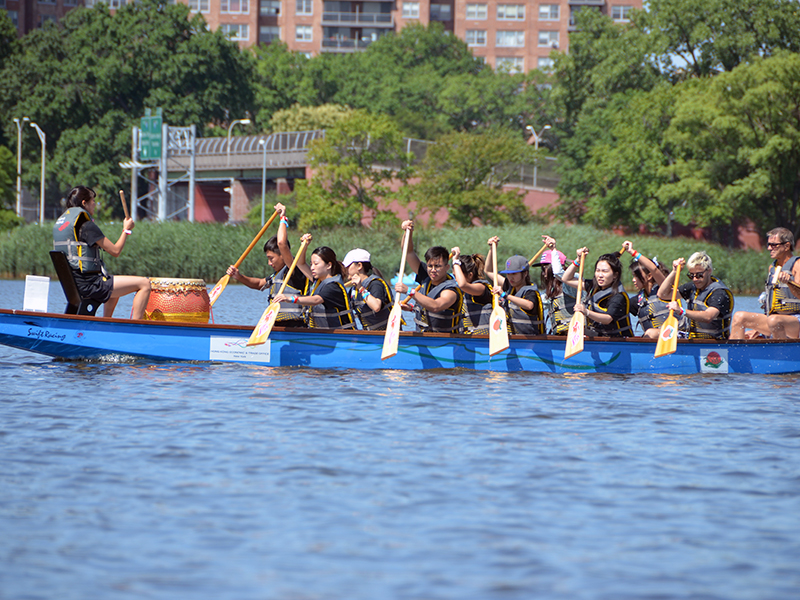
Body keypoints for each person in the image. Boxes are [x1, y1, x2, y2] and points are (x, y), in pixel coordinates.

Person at [52, 186, 150, 319]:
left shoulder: (66, 226)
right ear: (84, 203)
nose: (94, 205)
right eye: (93, 201)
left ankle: (106, 323)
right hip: (90, 285)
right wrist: (126, 230)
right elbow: (115, 251)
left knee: (112, 285)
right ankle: (135, 328)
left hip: (75, 286)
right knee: (144, 284)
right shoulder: (87, 226)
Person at [226, 203, 307, 327]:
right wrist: (239, 276)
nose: (269, 263)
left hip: (295, 327)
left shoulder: (294, 270)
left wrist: (283, 218)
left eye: (271, 258)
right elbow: (259, 284)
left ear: (282, 256)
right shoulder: (276, 276)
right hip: (277, 326)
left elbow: (281, 243)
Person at [393, 220, 463, 333]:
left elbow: (436, 306)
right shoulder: (426, 276)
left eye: (438, 266)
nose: (433, 270)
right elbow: (408, 252)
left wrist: (410, 292)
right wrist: (408, 232)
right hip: (423, 338)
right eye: (430, 266)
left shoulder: (451, 289)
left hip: (444, 342)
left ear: (446, 267)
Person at [730, 227, 800, 339]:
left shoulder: (797, 264)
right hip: (775, 320)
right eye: (768, 244)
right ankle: (736, 355)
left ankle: (782, 355)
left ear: (786, 246)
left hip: (796, 320)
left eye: (773, 245)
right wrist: (757, 328)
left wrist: (790, 282)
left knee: (774, 321)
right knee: (739, 317)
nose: (769, 248)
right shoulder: (772, 268)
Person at [273, 233, 354, 329]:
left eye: (316, 264)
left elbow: (316, 300)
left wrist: (290, 299)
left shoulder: (333, 286)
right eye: (311, 264)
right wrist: (304, 246)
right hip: (324, 336)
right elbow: (300, 264)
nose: (312, 268)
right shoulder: (318, 281)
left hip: (344, 337)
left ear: (328, 265)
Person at [658, 251, 734, 339]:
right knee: (652, 333)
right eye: (691, 275)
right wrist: (674, 271)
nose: (695, 279)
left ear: (709, 271)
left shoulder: (719, 292)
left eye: (699, 275)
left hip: (715, 342)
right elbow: (662, 294)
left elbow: (708, 316)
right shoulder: (692, 287)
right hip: (692, 338)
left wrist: (682, 311)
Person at [562, 248, 633, 337]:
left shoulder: (618, 296)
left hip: (617, 339)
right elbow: (566, 279)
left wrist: (586, 311)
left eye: (604, 271)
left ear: (615, 275)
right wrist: (578, 260)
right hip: (598, 334)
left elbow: (608, 319)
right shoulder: (593, 287)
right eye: (598, 270)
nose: (600, 275)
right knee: (571, 330)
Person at [485, 237, 545, 334]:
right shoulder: (510, 286)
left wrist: (505, 295)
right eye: (508, 274)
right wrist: (492, 249)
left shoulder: (530, 291)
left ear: (525, 274)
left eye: (514, 274)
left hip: (529, 341)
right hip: (512, 339)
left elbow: (529, 305)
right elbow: (489, 271)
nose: (510, 277)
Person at [622, 240, 670, 338]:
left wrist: (633, 252)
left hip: (674, 338)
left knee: (650, 333)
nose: (633, 280)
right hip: (652, 341)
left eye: (636, 276)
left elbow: (654, 269)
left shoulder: (664, 289)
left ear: (649, 276)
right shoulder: (638, 300)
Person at [344, 248, 392, 330]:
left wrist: (360, 288)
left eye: (348, 266)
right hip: (370, 335)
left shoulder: (375, 284)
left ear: (359, 266)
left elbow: (376, 306)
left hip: (387, 334)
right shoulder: (353, 291)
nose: (345, 269)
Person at [532, 235, 571, 334]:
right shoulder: (549, 292)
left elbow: (559, 273)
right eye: (542, 269)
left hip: (572, 336)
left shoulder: (570, 285)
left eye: (545, 268)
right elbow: (540, 301)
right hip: (558, 336)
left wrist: (553, 249)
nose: (543, 273)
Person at [450, 246, 492, 334]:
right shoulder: (459, 292)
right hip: (466, 341)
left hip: (482, 342)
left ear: (470, 275)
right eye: (454, 275)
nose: (456, 279)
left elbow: (463, 284)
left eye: (458, 275)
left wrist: (455, 261)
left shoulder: (481, 288)